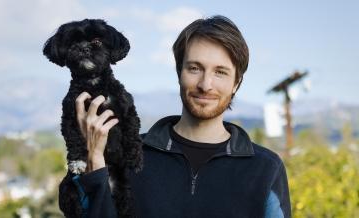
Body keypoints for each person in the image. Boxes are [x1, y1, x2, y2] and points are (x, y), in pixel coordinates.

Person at [72, 15, 291, 218]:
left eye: (220, 72)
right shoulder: (125, 155)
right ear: (179, 73)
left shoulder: (266, 168)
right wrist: (94, 160)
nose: (206, 85)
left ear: (236, 83)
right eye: (195, 68)